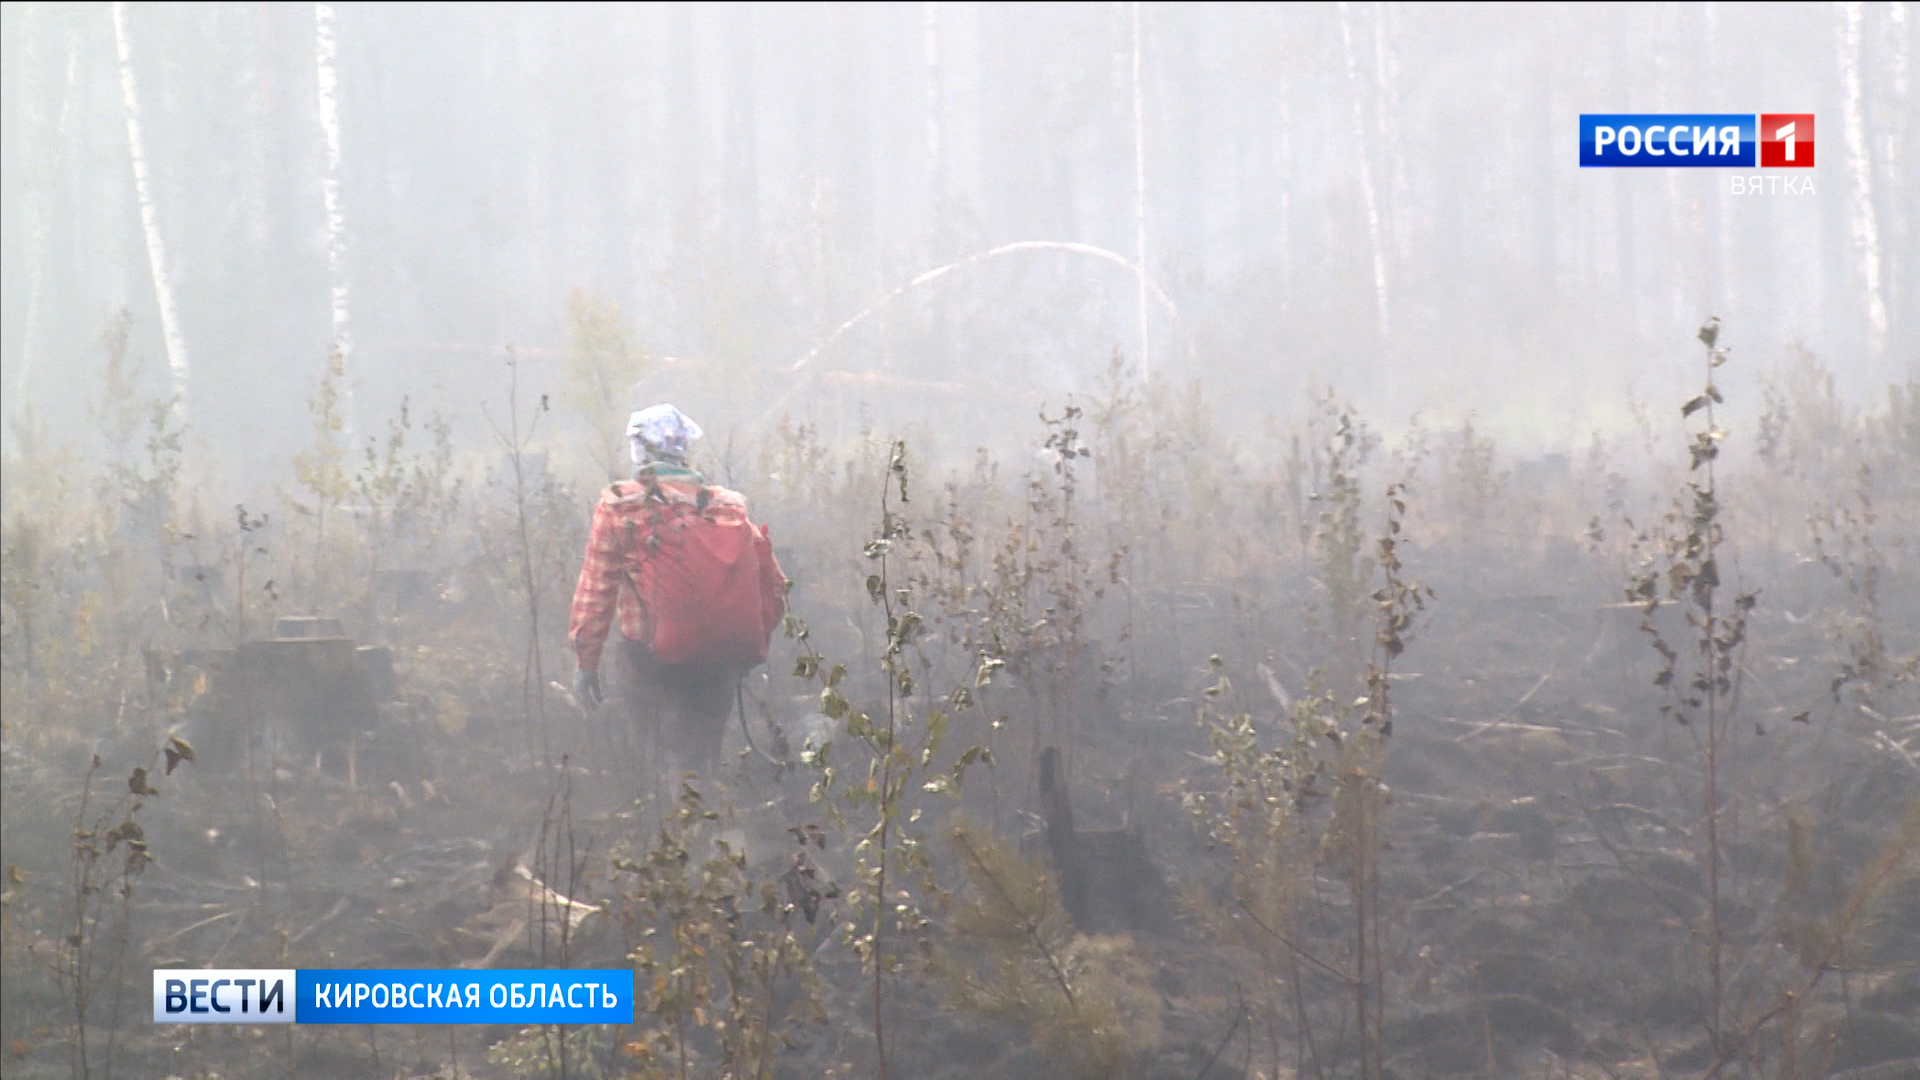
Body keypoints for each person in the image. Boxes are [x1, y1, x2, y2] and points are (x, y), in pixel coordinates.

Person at [568, 404, 786, 775]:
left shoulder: (621, 505)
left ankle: (674, 825)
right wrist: (744, 647)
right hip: (718, 660)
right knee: (703, 756)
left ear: (640, 449)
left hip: (649, 658)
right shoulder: (728, 507)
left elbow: (597, 589)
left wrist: (585, 662)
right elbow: (775, 587)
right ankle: (708, 823)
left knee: (662, 758)